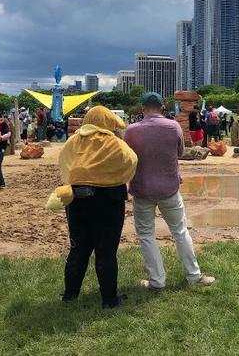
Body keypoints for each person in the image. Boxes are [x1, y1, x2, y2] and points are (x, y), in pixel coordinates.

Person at [125, 93, 215, 290]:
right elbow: (180, 153)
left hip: (142, 189)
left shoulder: (131, 131)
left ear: (142, 108)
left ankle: (157, 281)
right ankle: (194, 276)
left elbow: (127, 158)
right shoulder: (173, 126)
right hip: (169, 188)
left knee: (146, 235)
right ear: (162, 108)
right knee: (180, 232)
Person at [58, 106, 137, 308]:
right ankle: (109, 299)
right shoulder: (114, 142)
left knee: (78, 248)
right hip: (108, 200)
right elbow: (131, 162)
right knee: (106, 250)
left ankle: (70, 295)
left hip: (76, 199)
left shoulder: (73, 141)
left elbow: (64, 164)